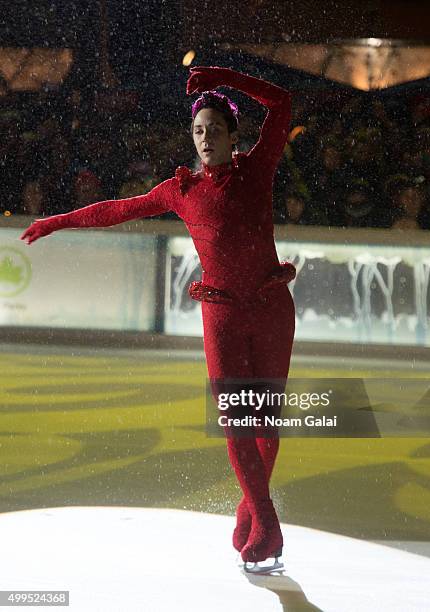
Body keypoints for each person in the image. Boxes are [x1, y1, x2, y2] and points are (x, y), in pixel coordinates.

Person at [19, 65, 296, 572]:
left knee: (264, 418)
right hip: (222, 314)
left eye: (214, 129)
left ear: (234, 135)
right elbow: (117, 209)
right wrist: (57, 220)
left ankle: (249, 508)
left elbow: (283, 102)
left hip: (272, 309)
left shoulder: (258, 169)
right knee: (236, 418)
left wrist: (225, 77)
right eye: (197, 131)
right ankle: (266, 519)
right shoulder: (181, 191)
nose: (205, 138)